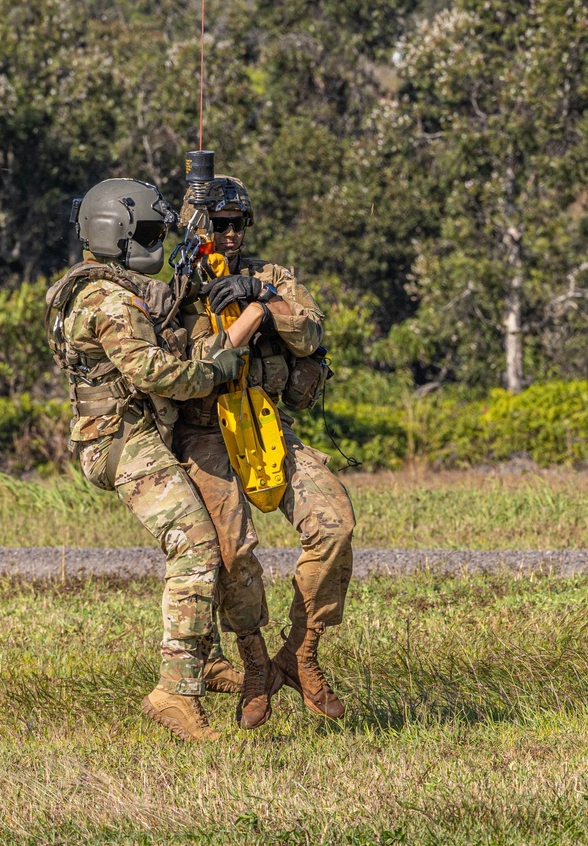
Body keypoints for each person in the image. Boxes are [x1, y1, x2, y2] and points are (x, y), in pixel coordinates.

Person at [45, 177, 248, 743]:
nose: (157, 243)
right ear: (117, 234)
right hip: (119, 442)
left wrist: (193, 210)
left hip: (129, 433)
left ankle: (199, 659)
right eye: (150, 233)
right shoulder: (108, 300)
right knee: (196, 545)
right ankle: (174, 693)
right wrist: (218, 367)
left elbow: (165, 296)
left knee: (204, 539)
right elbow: (154, 373)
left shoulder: (102, 287)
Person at [174, 175, 356, 729]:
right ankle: (254, 663)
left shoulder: (271, 279)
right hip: (205, 434)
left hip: (267, 425)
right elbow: (174, 369)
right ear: (197, 230)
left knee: (334, 524)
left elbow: (310, 332)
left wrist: (263, 301)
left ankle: (301, 652)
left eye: (239, 225)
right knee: (232, 553)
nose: (231, 236)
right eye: (219, 225)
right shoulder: (173, 290)